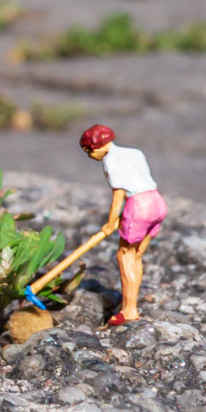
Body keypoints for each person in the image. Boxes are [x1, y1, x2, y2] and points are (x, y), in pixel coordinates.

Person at [79, 124, 167, 326]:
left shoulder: (110, 161)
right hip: (157, 202)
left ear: (95, 147)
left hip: (139, 206)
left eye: (88, 152)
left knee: (124, 255)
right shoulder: (135, 153)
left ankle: (129, 310)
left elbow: (119, 195)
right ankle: (131, 306)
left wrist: (110, 224)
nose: (90, 157)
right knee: (136, 256)